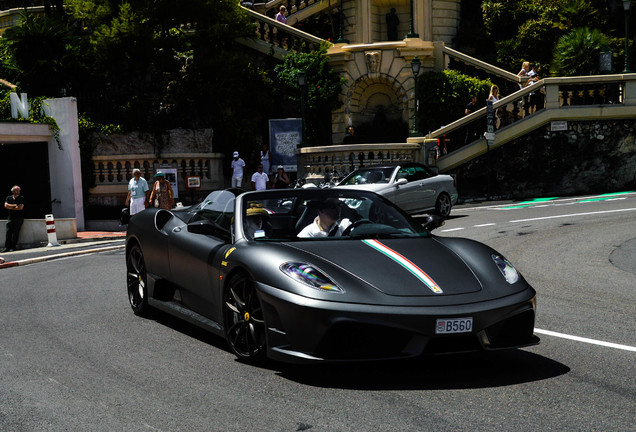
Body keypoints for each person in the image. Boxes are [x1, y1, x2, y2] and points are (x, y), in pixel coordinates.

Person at [2, 185, 25, 252]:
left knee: (15, 233)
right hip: (10, 217)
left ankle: (13, 247)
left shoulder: (21, 198)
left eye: (18, 190)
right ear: (13, 191)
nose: (18, 192)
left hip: (19, 218)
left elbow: (20, 208)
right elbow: (6, 206)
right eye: (16, 190)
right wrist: (15, 205)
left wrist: (10, 207)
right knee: (8, 232)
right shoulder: (8, 198)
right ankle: (7, 247)